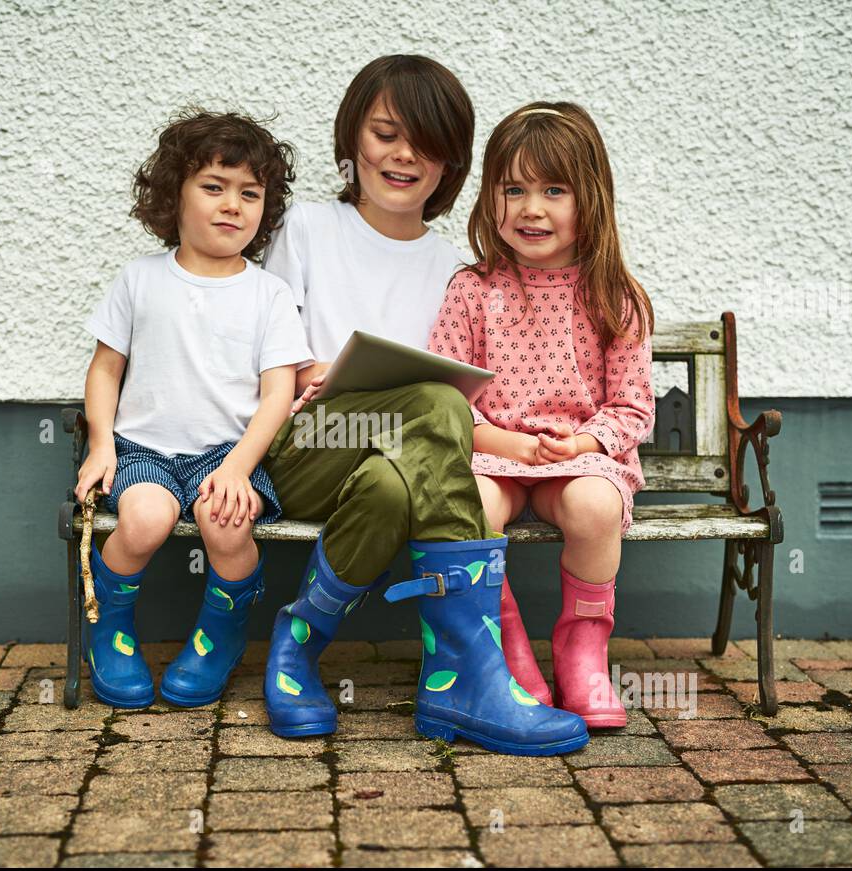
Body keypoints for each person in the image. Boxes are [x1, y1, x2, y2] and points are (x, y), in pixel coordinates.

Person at [259, 56, 588, 755]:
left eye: (427, 143)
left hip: (393, 463)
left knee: (388, 485)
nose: (404, 155)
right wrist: (308, 371)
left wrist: (533, 445)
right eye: (385, 134)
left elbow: (460, 408)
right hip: (310, 446)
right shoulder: (309, 230)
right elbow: (263, 352)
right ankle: (465, 675)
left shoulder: (454, 270)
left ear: (451, 165)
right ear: (353, 140)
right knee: (434, 404)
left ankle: (296, 644)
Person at [427, 102, 656, 728]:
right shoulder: (473, 290)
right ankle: (502, 649)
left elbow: (633, 406)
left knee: (594, 507)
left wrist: (583, 441)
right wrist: (507, 443)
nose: (532, 208)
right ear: (490, 199)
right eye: (514, 189)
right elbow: (444, 402)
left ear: (592, 199)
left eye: (554, 189)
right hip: (490, 451)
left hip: (579, 457)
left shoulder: (615, 296)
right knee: (465, 506)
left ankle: (582, 650)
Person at [74, 109, 311, 709]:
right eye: (214, 187)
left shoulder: (268, 293)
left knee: (226, 522)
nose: (233, 204)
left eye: (249, 193)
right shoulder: (140, 280)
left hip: (227, 454)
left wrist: (237, 467)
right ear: (172, 194)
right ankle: (110, 626)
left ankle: (220, 632)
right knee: (146, 520)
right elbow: (105, 369)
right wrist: (102, 442)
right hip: (143, 451)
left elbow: (278, 393)